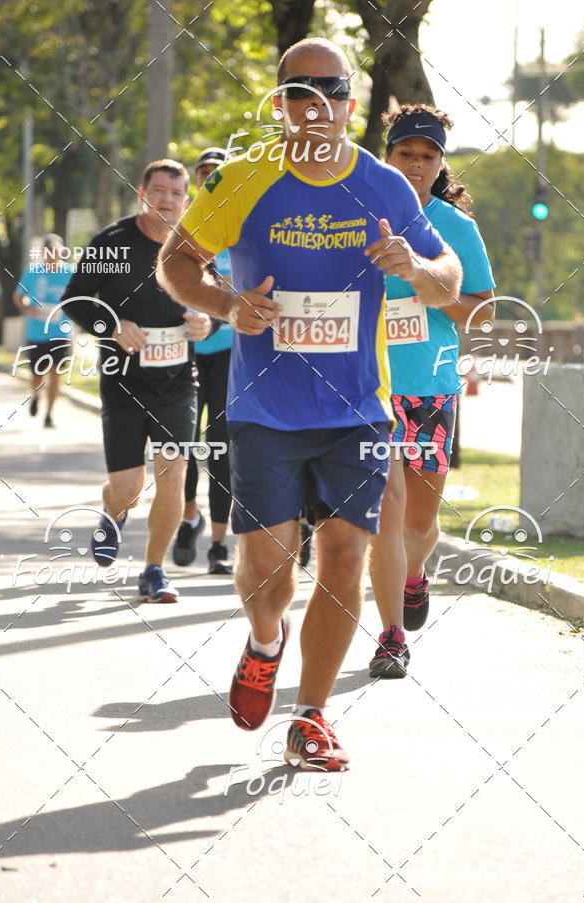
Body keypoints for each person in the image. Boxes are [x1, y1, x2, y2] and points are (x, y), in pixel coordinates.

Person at [157, 39, 462, 771]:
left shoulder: (384, 186)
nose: (314, 105)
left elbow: (447, 278)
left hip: (356, 405)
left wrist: (416, 267)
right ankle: (266, 641)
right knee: (267, 573)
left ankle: (313, 715)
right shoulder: (245, 179)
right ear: (281, 103)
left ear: (351, 105)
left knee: (346, 552)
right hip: (265, 409)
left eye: (329, 90)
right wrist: (228, 304)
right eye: (298, 91)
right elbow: (177, 261)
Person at [369, 104, 495, 676]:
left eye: (427, 156)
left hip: (429, 390)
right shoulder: (354, 213)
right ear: (387, 155)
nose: (415, 165)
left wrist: (432, 290)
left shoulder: (456, 227)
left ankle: (416, 575)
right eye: (405, 154)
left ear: (440, 163)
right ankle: (391, 634)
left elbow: (486, 313)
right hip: (365, 389)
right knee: (382, 518)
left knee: (418, 522)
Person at [61, 159, 213, 603]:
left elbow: (220, 303)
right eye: (159, 191)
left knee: (173, 473)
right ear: (143, 193)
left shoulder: (197, 243)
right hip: (123, 379)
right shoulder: (113, 243)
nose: (167, 200)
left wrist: (208, 323)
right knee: (127, 489)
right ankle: (113, 513)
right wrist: (112, 325)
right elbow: (75, 300)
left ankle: (154, 570)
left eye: (176, 193)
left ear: (187, 200)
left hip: (178, 382)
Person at [172, 148, 235, 575]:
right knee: (185, 445)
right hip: (188, 352)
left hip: (230, 354)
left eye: (219, 173)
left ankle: (217, 543)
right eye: (205, 174)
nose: (211, 180)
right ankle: (188, 515)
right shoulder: (187, 229)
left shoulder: (244, 228)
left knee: (221, 449)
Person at [13, 234, 72, 428]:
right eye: (48, 252)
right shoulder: (33, 272)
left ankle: (49, 414)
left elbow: (78, 298)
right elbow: (18, 297)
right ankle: (36, 395)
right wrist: (28, 309)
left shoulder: (70, 272)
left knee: (56, 373)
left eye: (55, 251)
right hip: (37, 332)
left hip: (62, 332)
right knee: (38, 374)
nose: (51, 256)